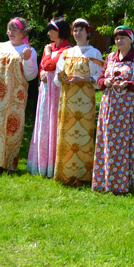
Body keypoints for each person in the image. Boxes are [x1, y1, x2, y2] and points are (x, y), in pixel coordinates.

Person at [92, 24, 134, 194]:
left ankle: (126, 183)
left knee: (126, 144)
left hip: (129, 111)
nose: (119, 40)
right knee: (108, 142)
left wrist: (130, 84)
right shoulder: (110, 57)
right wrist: (105, 82)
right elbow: (100, 79)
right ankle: (105, 182)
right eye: (116, 38)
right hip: (109, 109)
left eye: (122, 37)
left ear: (130, 40)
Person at [0, 17, 38, 171]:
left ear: (23, 32)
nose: (10, 32)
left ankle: (8, 163)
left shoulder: (28, 50)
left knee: (12, 126)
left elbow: (31, 76)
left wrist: (26, 60)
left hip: (15, 96)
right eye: (9, 29)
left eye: (15, 29)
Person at [53, 17, 104, 185]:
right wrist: (63, 79)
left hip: (85, 101)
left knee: (83, 136)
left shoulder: (94, 53)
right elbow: (58, 74)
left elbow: (100, 78)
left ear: (87, 32)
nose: (78, 33)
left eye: (81, 30)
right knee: (67, 135)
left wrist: (82, 79)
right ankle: (67, 174)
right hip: (68, 99)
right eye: (75, 30)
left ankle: (83, 175)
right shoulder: (66, 53)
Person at [27, 18, 73, 177]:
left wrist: (46, 55)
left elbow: (49, 65)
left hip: (58, 92)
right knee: (44, 122)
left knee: (54, 123)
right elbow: (43, 67)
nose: (48, 33)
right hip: (46, 91)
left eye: (50, 30)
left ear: (59, 31)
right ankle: (41, 163)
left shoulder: (66, 50)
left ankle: (54, 164)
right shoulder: (52, 47)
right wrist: (41, 74)